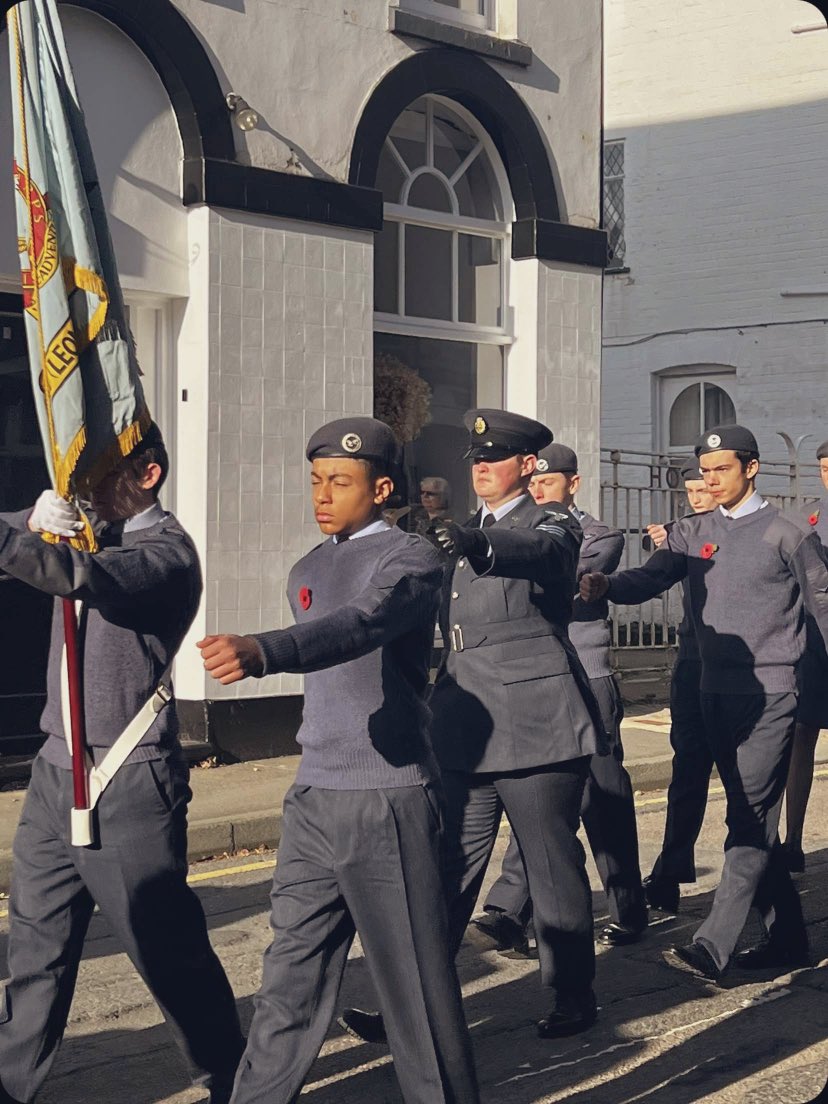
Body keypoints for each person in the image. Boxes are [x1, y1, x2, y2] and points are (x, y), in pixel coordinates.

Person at [197, 417, 479, 1104]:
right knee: (288, 979)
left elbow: (363, 625)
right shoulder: (306, 567)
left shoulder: (410, 560)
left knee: (413, 990)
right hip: (313, 795)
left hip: (388, 798)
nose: (323, 495)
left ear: (381, 488)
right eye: (317, 481)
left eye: (341, 482)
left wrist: (268, 651)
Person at [344, 409, 606, 1043]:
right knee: (443, 869)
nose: (481, 467)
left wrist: (479, 544)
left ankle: (571, 993)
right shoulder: (454, 533)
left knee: (549, 864)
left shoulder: (550, 522)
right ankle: (412, 1003)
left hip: (534, 717)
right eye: (476, 460)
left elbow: (546, 554)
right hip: (464, 719)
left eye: (496, 458)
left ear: (528, 466)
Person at [0, 425, 244, 1104]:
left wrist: (29, 539)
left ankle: (232, 1076)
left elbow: (79, 577)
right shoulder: (90, 531)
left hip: (127, 772)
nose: (87, 492)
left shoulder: (166, 552)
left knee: (167, 950)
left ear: (150, 474)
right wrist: (27, 518)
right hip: (57, 766)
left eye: (103, 476)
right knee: (35, 951)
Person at [580, 425, 828, 982]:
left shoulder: (788, 533)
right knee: (751, 816)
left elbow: (822, 610)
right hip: (711, 689)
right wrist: (606, 586)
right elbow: (651, 576)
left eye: (722, 469)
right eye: (705, 469)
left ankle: (713, 944)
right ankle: (788, 937)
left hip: (771, 691)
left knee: (746, 814)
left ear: (752, 468)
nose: (711, 479)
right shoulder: (691, 532)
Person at [474, 442, 648, 951]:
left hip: (587, 677)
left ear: (573, 483)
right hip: (535, 682)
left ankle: (627, 906)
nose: (539, 490)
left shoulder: (598, 536)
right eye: (534, 483)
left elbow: (557, 576)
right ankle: (509, 909)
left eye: (549, 483)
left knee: (603, 795)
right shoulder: (505, 533)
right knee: (536, 795)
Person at [641, 456, 717, 915]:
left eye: (703, 488)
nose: (698, 497)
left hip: (735, 671)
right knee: (687, 770)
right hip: (691, 662)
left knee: (743, 784)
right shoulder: (683, 533)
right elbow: (652, 577)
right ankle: (669, 872)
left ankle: (765, 887)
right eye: (690, 491)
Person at [783, 438, 828, 873]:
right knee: (800, 739)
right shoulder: (806, 518)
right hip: (814, 645)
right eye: (825, 467)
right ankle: (792, 840)